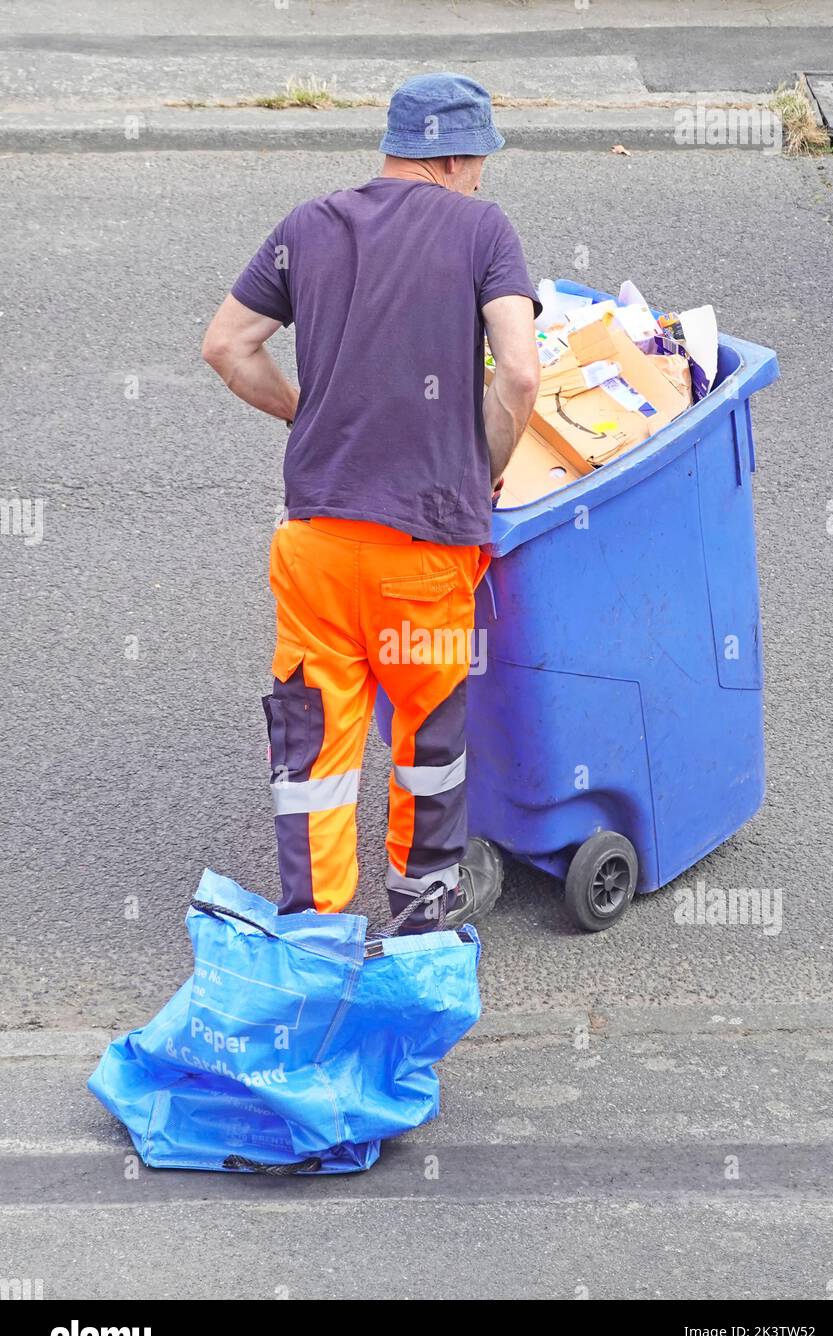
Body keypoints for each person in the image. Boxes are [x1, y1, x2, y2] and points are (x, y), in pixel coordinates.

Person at [202, 73, 540, 931]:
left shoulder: (308, 225)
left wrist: (302, 409)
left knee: (314, 756)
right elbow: (523, 373)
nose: (481, 181)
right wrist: (485, 467)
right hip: (422, 559)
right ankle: (418, 946)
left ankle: (312, 951)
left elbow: (226, 346)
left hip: (314, 547)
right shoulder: (481, 229)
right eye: (480, 164)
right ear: (458, 156)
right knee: (427, 754)